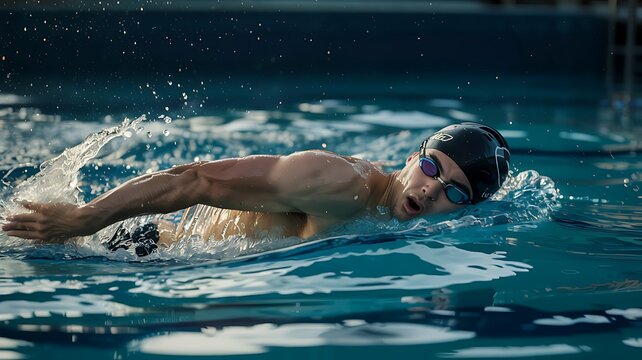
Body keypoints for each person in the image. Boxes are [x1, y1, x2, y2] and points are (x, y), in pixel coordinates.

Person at [2, 122, 510, 255]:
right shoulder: (338, 183)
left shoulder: (395, 216)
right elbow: (195, 178)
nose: (430, 189)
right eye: (430, 166)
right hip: (138, 250)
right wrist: (84, 218)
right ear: (410, 157)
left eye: (456, 193)